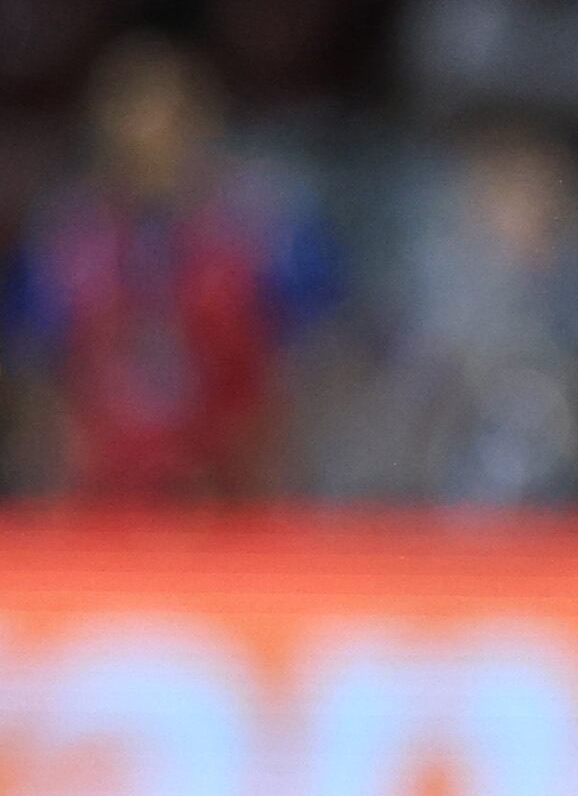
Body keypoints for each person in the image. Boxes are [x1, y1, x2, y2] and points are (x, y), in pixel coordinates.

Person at [7, 34, 338, 499]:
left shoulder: (266, 230)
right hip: (99, 498)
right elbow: (35, 374)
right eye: (127, 132)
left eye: (164, 130)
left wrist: (268, 469)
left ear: (199, 125)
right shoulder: (64, 238)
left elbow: (313, 365)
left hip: (234, 494)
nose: (146, 153)